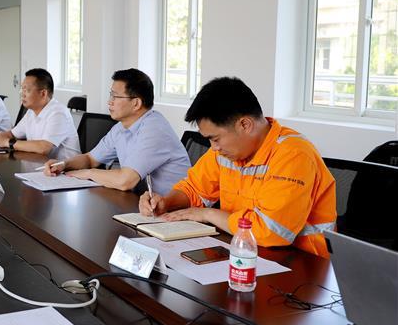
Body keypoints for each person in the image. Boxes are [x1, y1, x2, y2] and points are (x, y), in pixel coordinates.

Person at [139, 77, 336, 258]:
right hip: (243, 249)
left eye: (216, 139)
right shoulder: (226, 152)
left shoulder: (293, 155)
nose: (213, 148)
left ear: (245, 125)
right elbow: (195, 189)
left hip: (302, 262)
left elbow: (270, 232)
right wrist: (166, 202)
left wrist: (207, 214)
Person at [43, 69, 189, 194]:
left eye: (115, 96)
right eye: (110, 95)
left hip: (176, 210)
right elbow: (90, 159)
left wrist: (88, 173)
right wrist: (63, 164)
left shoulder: (154, 129)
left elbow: (125, 181)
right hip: (144, 203)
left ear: (136, 103)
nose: (109, 101)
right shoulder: (121, 127)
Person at [0, 68, 80, 159]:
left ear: (43, 93)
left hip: (66, 168)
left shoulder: (58, 113)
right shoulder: (31, 112)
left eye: (26, 90)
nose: (22, 94)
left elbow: (44, 148)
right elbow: (12, 134)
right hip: (40, 164)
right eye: (22, 89)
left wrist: (7, 142)